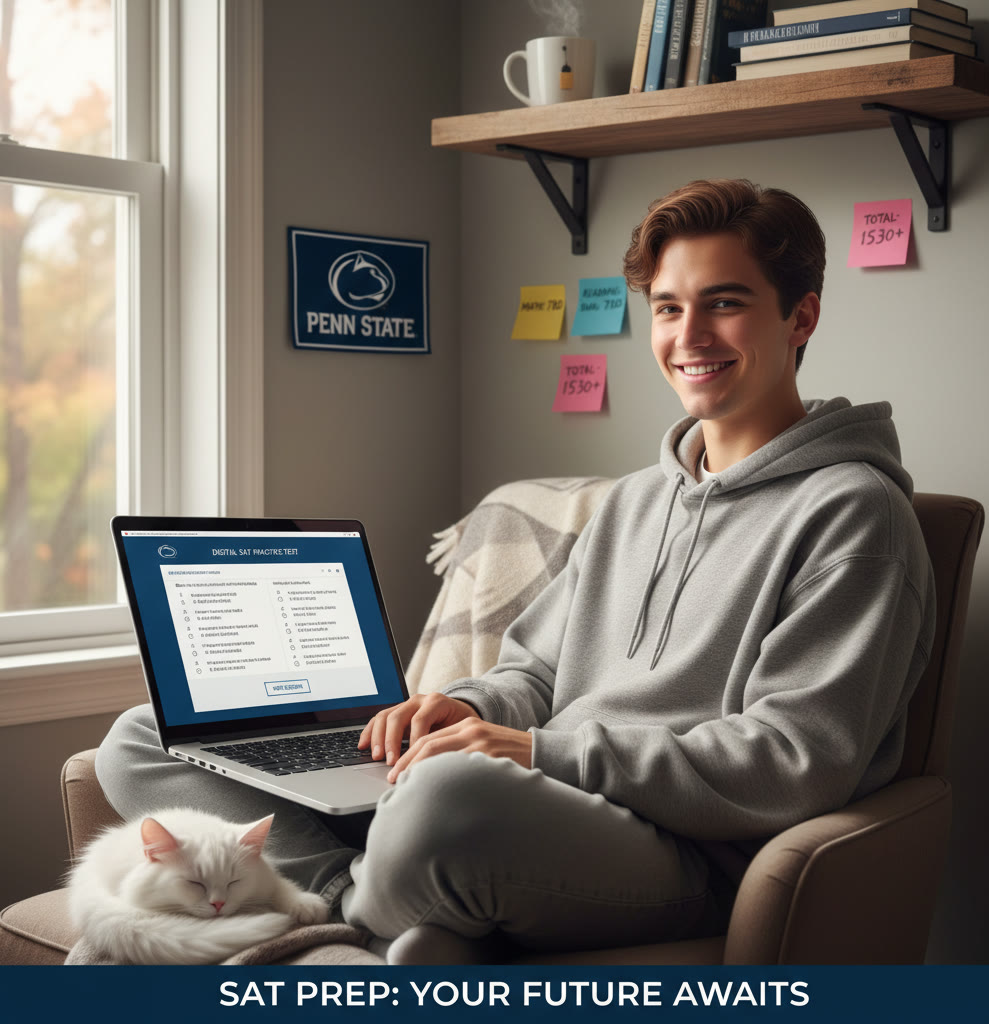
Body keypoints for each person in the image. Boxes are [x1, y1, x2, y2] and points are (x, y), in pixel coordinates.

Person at [96, 179, 936, 961]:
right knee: (142, 738)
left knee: (445, 801)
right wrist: (460, 706)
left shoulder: (855, 514)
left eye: (726, 303)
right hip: (547, 800)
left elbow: (793, 758)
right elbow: (534, 671)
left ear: (801, 317)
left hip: (688, 854)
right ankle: (360, 906)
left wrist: (538, 754)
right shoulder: (636, 500)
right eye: (670, 307)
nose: (690, 337)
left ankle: (376, 906)